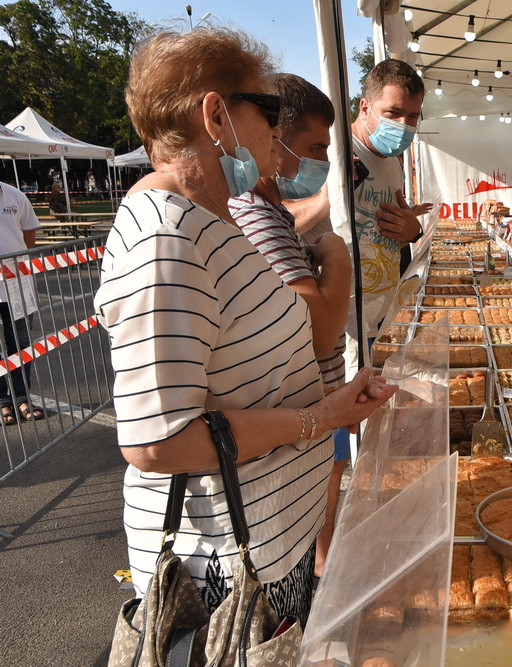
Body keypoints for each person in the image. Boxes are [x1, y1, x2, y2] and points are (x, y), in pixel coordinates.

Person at [94, 28, 396, 623]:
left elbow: (250, 366)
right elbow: (157, 441)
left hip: (270, 543)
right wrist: (319, 418)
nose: (275, 134)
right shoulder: (166, 238)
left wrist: (330, 400)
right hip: (229, 571)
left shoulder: (208, 220)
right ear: (215, 116)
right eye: (268, 111)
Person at [228, 72, 352, 577]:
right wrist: (337, 256)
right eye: (315, 148)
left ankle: (322, 567)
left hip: (314, 414)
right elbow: (320, 334)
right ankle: (320, 573)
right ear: (274, 140)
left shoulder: (274, 212)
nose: (323, 162)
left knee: (328, 485)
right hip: (297, 422)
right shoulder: (256, 215)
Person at [345, 58, 424, 358]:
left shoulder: (393, 163)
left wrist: (412, 231)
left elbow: (391, 235)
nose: (404, 125)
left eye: (413, 116)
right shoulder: (336, 153)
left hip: (382, 317)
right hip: (345, 327)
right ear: (365, 107)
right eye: (393, 113)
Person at [0, 181, 44, 423]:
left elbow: (29, 236)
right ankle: (1, 401)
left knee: (20, 342)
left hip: (17, 284)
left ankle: (21, 396)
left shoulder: (15, 196)